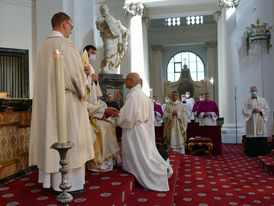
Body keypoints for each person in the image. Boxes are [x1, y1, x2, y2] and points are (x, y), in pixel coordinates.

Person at [29, 12, 94, 194]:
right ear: (64, 24)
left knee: (52, 138)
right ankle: (69, 185)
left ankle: (52, 183)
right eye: (71, 27)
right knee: (69, 140)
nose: (71, 31)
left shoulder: (43, 46)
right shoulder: (65, 45)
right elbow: (75, 79)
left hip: (48, 105)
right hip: (66, 107)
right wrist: (86, 77)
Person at [118, 72, 173, 191]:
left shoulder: (133, 96)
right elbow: (150, 118)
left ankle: (152, 174)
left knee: (138, 155)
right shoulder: (143, 96)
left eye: (126, 79)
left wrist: (118, 116)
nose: (125, 82)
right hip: (141, 128)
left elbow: (127, 117)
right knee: (141, 154)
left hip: (133, 129)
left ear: (132, 81)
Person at [84, 67, 120, 172]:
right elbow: (83, 103)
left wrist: (104, 110)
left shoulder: (91, 84)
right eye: (91, 74)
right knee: (102, 127)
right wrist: (103, 111)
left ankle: (107, 160)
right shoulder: (81, 85)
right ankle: (97, 161)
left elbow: (94, 101)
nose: (96, 76)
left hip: (92, 114)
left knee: (108, 125)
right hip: (84, 118)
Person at [96, 5, 129, 73]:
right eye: (102, 9)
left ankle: (112, 67)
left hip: (115, 38)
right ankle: (106, 66)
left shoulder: (111, 17)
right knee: (108, 50)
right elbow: (99, 26)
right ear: (101, 11)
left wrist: (124, 30)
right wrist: (105, 22)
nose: (104, 9)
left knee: (114, 52)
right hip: (107, 36)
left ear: (107, 9)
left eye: (105, 8)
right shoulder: (100, 18)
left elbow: (118, 25)